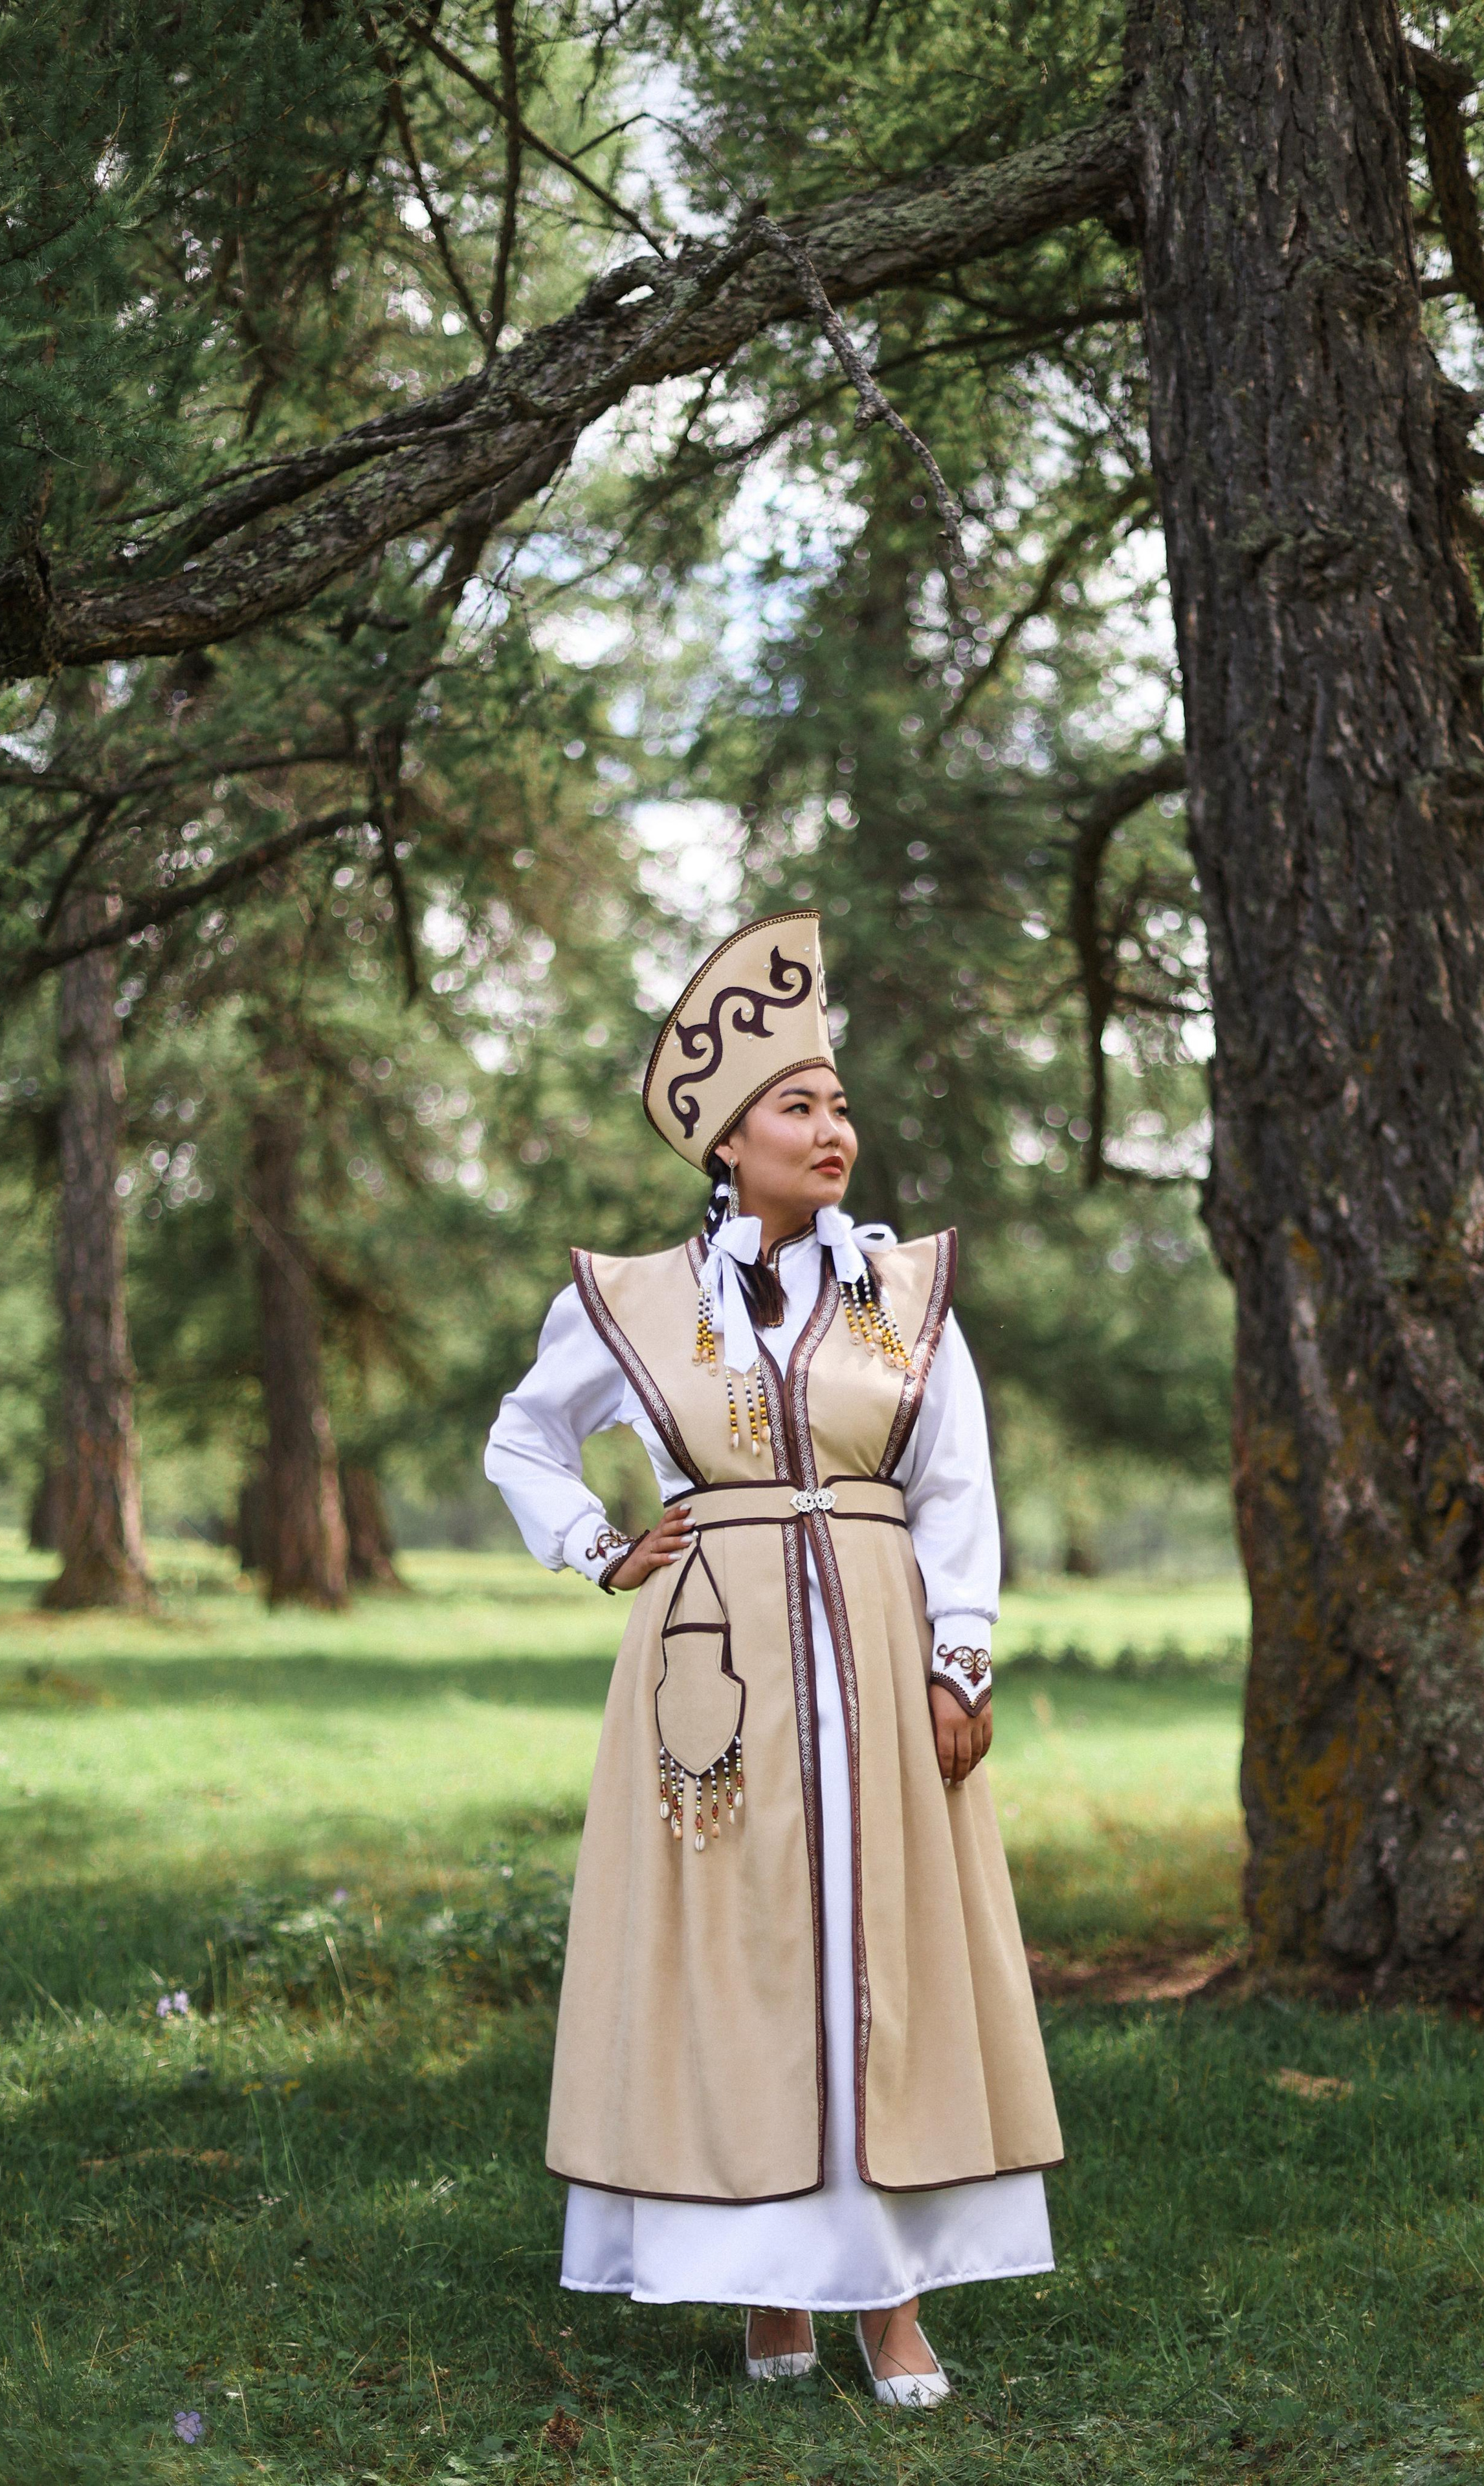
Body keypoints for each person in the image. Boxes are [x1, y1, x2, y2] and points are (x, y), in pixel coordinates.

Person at [485, 911, 1061, 2406]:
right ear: (726, 1144)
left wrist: (959, 1657)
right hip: (712, 1669)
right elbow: (522, 1436)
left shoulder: (896, 1295)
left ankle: (892, 2308)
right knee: (738, 1962)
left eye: (840, 1106)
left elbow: (953, 1487)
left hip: (873, 1651)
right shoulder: (638, 1304)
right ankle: (764, 2296)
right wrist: (594, 1544)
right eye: (800, 1107)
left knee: (879, 1958)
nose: (834, 1132)